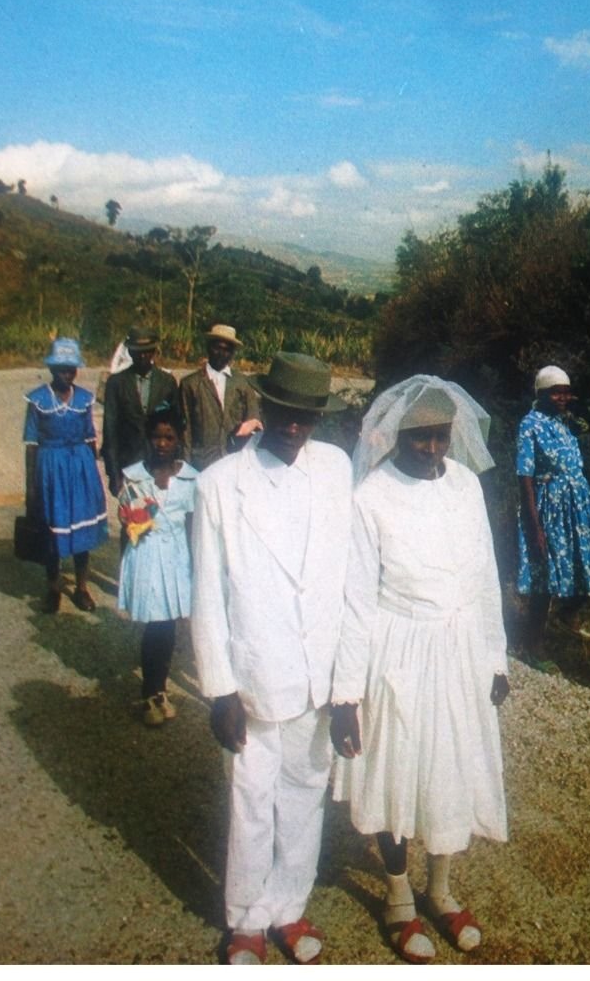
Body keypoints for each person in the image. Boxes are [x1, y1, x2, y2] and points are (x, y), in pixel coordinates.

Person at [330, 376, 509, 963]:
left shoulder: (465, 486)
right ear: (396, 435)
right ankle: (399, 895)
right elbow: (357, 600)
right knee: (399, 768)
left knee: (448, 767)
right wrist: (346, 695)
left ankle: (442, 889)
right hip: (398, 648)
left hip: (458, 649)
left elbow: (484, 576)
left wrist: (495, 656)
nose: (431, 449)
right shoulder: (372, 496)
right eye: (419, 438)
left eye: (440, 437)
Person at [190, 352, 352, 965]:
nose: (294, 425)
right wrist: (219, 689)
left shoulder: (335, 469)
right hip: (254, 671)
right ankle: (247, 918)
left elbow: (349, 580)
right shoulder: (219, 484)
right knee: (252, 797)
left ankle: (289, 907)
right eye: (285, 411)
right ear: (263, 404)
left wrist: (347, 689)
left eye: (308, 416)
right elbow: (208, 594)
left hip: (317, 671)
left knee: (306, 791)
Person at [516, 365, 590, 671]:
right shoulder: (529, 425)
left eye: (566, 392)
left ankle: (567, 615)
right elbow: (525, 478)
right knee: (546, 578)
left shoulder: (563, 424)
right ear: (541, 394)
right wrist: (534, 526)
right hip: (549, 510)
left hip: (578, 509)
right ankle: (533, 645)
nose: (562, 397)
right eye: (555, 392)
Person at [117, 404, 198, 727]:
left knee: (168, 626)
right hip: (147, 556)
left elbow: (192, 527)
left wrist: (195, 568)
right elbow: (128, 528)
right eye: (156, 437)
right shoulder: (135, 477)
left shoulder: (190, 478)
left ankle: (158, 689)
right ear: (148, 439)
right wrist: (127, 570)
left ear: (178, 440)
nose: (162, 444)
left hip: (176, 557)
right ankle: (151, 693)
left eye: (169, 437)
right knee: (155, 625)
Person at [24, 338, 109, 613]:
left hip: (80, 468)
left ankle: (82, 587)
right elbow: (31, 445)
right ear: (52, 369)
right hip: (51, 469)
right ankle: (53, 588)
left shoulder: (84, 399)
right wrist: (31, 487)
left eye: (71, 368)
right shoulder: (38, 399)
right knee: (53, 530)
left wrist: (92, 479)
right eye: (62, 368)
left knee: (81, 529)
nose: (67, 373)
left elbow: (90, 438)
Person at [101, 326, 179, 498]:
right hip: (129, 462)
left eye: (147, 351)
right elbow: (110, 430)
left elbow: (176, 427)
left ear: (154, 352)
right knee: (133, 512)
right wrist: (113, 473)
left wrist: (174, 467)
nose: (143, 356)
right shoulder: (116, 383)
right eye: (138, 352)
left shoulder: (167, 382)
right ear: (130, 352)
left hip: (160, 463)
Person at [179, 324, 262, 471]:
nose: (221, 353)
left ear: (232, 353)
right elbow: (185, 431)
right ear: (208, 348)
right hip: (202, 463)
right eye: (217, 347)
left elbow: (253, 422)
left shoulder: (243, 383)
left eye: (227, 349)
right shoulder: (191, 384)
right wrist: (186, 466)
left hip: (234, 462)